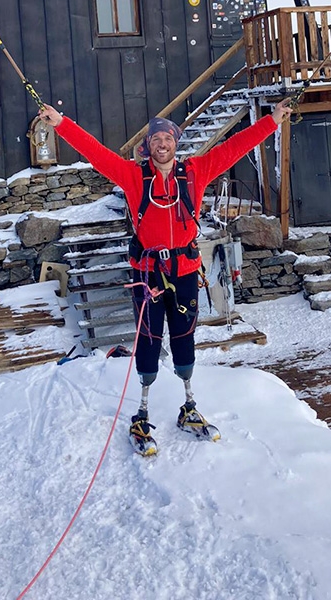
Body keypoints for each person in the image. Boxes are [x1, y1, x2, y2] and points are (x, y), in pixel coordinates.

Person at [39, 98, 292, 453]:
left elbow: (234, 148)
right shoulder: (132, 176)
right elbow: (96, 153)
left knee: (185, 338)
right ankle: (141, 413)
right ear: (149, 146)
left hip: (186, 271)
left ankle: (189, 405)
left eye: (168, 140)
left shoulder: (196, 171)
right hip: (148, 275)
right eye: (156, 140)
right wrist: (61, 123)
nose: (162, 145)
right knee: (148, 338)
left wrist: (272, 121)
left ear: (176, 144)